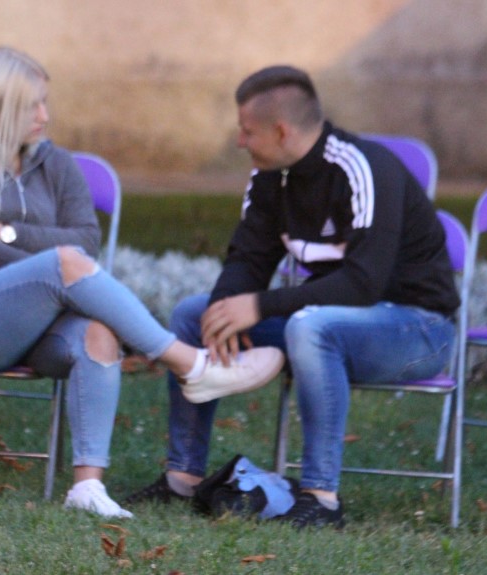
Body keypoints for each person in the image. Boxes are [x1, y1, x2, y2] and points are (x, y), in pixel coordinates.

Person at [0, 47, 285, 519]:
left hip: (32, 325)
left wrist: (8, 235)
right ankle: (189, 363)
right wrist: (47, 269)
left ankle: (87, 488)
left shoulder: (56, 164)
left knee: (98, 332)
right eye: (32, 106)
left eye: (45, 102)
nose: (45, 116)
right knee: (62, 264)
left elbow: (86, 240)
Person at [125, 65, 460, 528]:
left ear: (281, 131)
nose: (239, 141)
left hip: (417, 330)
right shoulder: (270, 176)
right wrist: (226, 309)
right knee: (192, 315)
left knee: (311, 326)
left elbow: (363, 283)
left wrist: (259, 306)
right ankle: (183, 477)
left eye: (247, 131)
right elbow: (247, 257)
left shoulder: (364, 168)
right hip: (324, 322)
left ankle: (321, 499)